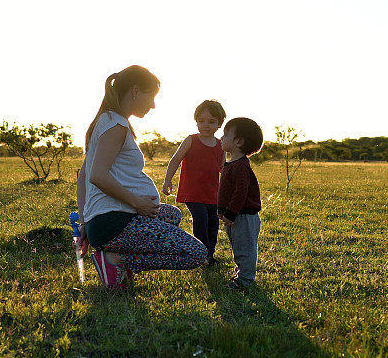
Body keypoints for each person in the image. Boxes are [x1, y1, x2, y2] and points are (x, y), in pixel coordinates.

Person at [76, 65, 207, 290]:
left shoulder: (106, 121)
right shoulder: (116, 124)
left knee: (170, 214)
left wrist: (85, 220)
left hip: (108, 219)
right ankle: (116, 261)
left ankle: (115, 257)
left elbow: (83, 177)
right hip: (114, 221)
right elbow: (96, 175)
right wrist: (137, 203)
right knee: (196, 253)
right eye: (152, 96)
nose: (153, 105)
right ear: (135, 91)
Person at [162, 100, 226, 265]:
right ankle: (200, 253)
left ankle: (209, 254)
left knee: (213, 222)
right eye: (201, 121)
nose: (206, 125)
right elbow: (175, 160)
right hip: (193, 192)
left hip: (212, 193)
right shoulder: (191, 140)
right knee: (201, 218)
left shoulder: (221, 145)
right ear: (196, 121)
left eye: (211, 122)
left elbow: (223, 170)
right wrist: (168, 179)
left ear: (219, 124)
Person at [217, 117, 264, 291]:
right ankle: (240, 274)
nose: (222, 138)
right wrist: (221, 210)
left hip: (243, 216)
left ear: (238, 142)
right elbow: (226, 191)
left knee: (245, 249)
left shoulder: (241, 166)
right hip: (235, 215)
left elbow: (240, 193)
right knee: (238, 247)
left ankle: (244, 280)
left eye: (225, 135)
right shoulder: (231, 164)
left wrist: (229, 213)